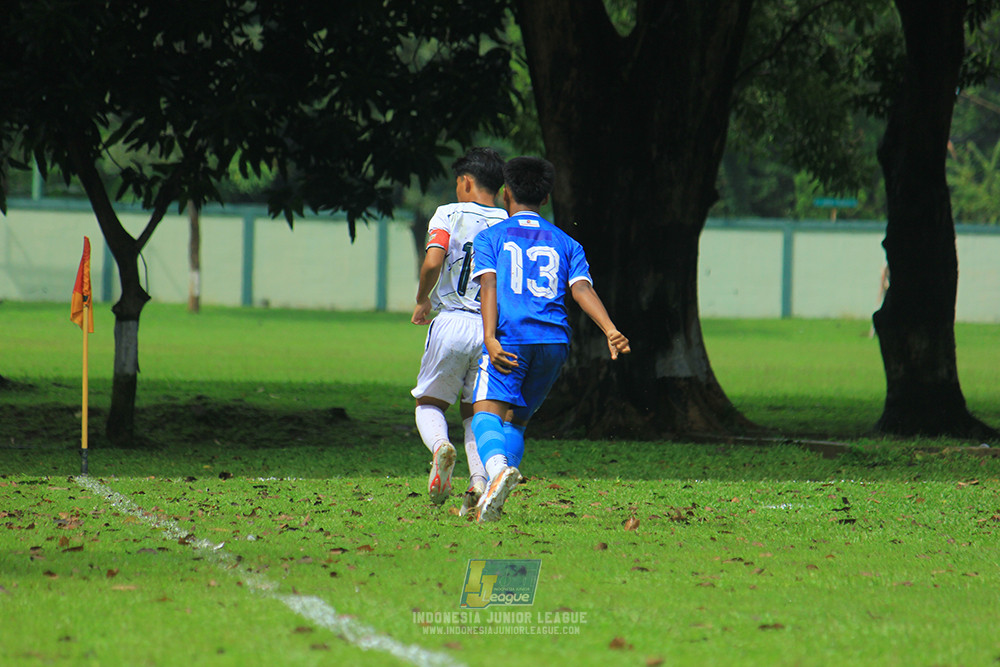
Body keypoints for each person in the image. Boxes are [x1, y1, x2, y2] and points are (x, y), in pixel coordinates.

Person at [469, 156, 630, 523]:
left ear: (506, 193)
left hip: (511, 337)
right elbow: (582, 289)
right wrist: (610, 329)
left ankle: (497, 473)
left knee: (485, 415)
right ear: (545, 198)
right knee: (516, 422)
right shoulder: (567, 242)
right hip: (554, 343)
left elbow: (489, 287)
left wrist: (490, 337)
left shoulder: (490, 237)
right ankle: (493, 496)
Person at [411, 147, 508, 514]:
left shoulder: (448, 213)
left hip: (451, 322)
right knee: (477, 413)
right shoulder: (508, 222)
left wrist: (423, 298)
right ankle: (478, 483)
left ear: (466, 182)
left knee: (429, 403)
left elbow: (433, 261)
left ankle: (440, 447)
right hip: (491, 331)